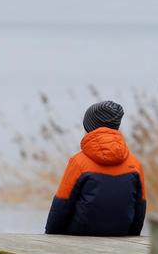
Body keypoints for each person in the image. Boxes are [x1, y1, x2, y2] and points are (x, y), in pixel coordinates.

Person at [45, 100, 147, 236]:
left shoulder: (78, 162)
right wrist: (132, 236)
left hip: (81, 234)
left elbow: (62, 205)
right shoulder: (134, 164)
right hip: (121, 234)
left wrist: (50, 234)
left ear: (89, 127)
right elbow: (140, 207)